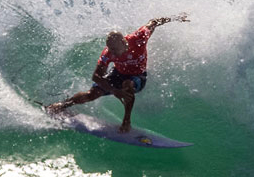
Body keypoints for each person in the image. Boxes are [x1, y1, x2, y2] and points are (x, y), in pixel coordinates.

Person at [47, 14, 188, 132]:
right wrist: (113, 90)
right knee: (92, 94)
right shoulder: (108, 53)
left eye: (115, 49)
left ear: (124, 42)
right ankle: (62, 105)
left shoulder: (138, 38)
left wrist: (176, 18)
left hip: (138, 76)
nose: (112, 53)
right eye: (110, 49)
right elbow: (96, 76)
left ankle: (127, 121)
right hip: (117, 73)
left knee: (128, 84)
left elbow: (154, 22)